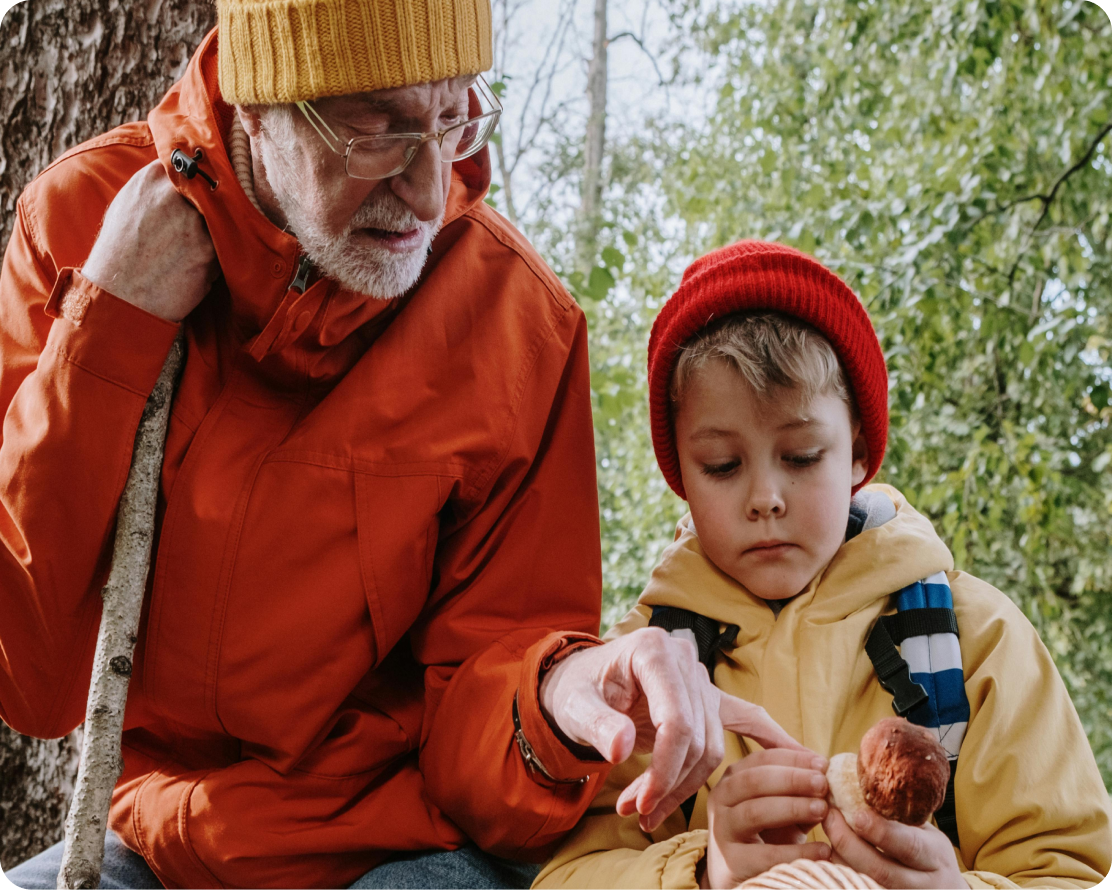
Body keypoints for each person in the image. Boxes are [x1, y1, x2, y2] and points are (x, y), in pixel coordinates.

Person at [0, 5, 798, 890]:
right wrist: (109, 327)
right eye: (376, 130)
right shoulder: (80, 226)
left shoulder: (515, 325)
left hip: (401, 846)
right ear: (258, 104)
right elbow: (26, 676)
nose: (427, 192)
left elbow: (487, 715)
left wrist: (558, 699)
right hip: (156, 837)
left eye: (452, 116)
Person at [534, 240, 1112, 890]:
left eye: (803, 455)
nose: (764, 499)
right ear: (682, 479)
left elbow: (1072, 867)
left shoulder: (977, 640)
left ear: (859, 453)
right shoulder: (651, 669)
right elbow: (566, 875)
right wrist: (699, 872)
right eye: (723, 466)